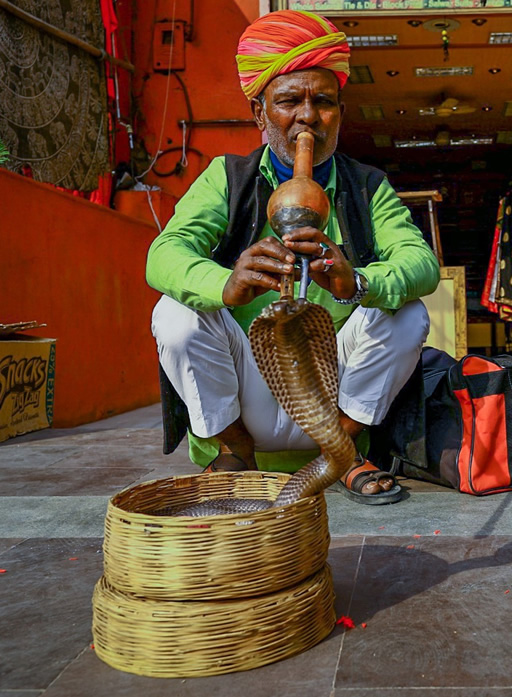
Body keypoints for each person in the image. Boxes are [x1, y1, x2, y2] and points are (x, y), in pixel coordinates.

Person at [146, 10, 439, 504]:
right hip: (246, 389)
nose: (307, 117)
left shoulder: (366, 186)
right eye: (288, 102)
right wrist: (226, 285)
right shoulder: (228, 178)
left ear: (340, 114)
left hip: (334, 391)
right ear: (260, 114)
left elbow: (420, 262)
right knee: (174, 314)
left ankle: (342, 452)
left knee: (408, 314)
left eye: (323, 102)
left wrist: (357, 282)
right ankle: (234, 450)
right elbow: (164, 254)